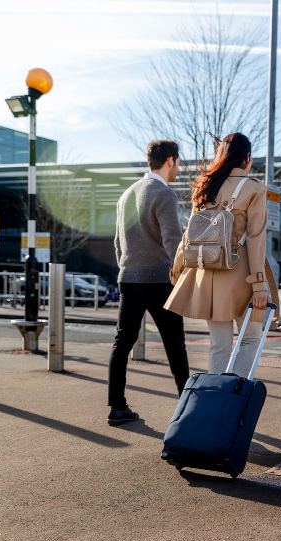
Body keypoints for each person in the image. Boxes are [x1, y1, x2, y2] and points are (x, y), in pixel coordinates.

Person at [166, 132, 272, 378]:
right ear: (246, 157)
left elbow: (189, 234)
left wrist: (177, 269)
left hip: (208, 274)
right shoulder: (255, 189)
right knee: (250, 340)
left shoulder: (205, 185)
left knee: (219, 345)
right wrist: (259, 285)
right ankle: (235, 399)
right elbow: (256, 239)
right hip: (243, 274)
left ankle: (214, 401)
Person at [106, 140, 190, 426]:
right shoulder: (164, 194)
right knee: (174, 344)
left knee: (122, 342)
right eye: (179, 162)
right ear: (169, 161)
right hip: (158, 279)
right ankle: (188, 411)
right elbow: (172, 240)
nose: (179, 167)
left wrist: (127, 268)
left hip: (128, 278)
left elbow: (118, 242)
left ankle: (117, 407)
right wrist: (181, 273)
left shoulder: (126, 195)